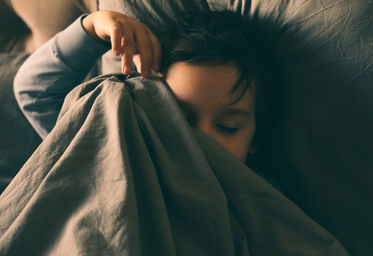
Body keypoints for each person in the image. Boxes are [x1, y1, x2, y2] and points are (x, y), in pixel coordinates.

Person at [14, 9, 281, 188]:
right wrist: (93, 28)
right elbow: (36, 92)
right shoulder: (116, 151)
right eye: (180, 118)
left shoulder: (262, 194)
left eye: (228, 127)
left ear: (255, 139)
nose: (201, 142)